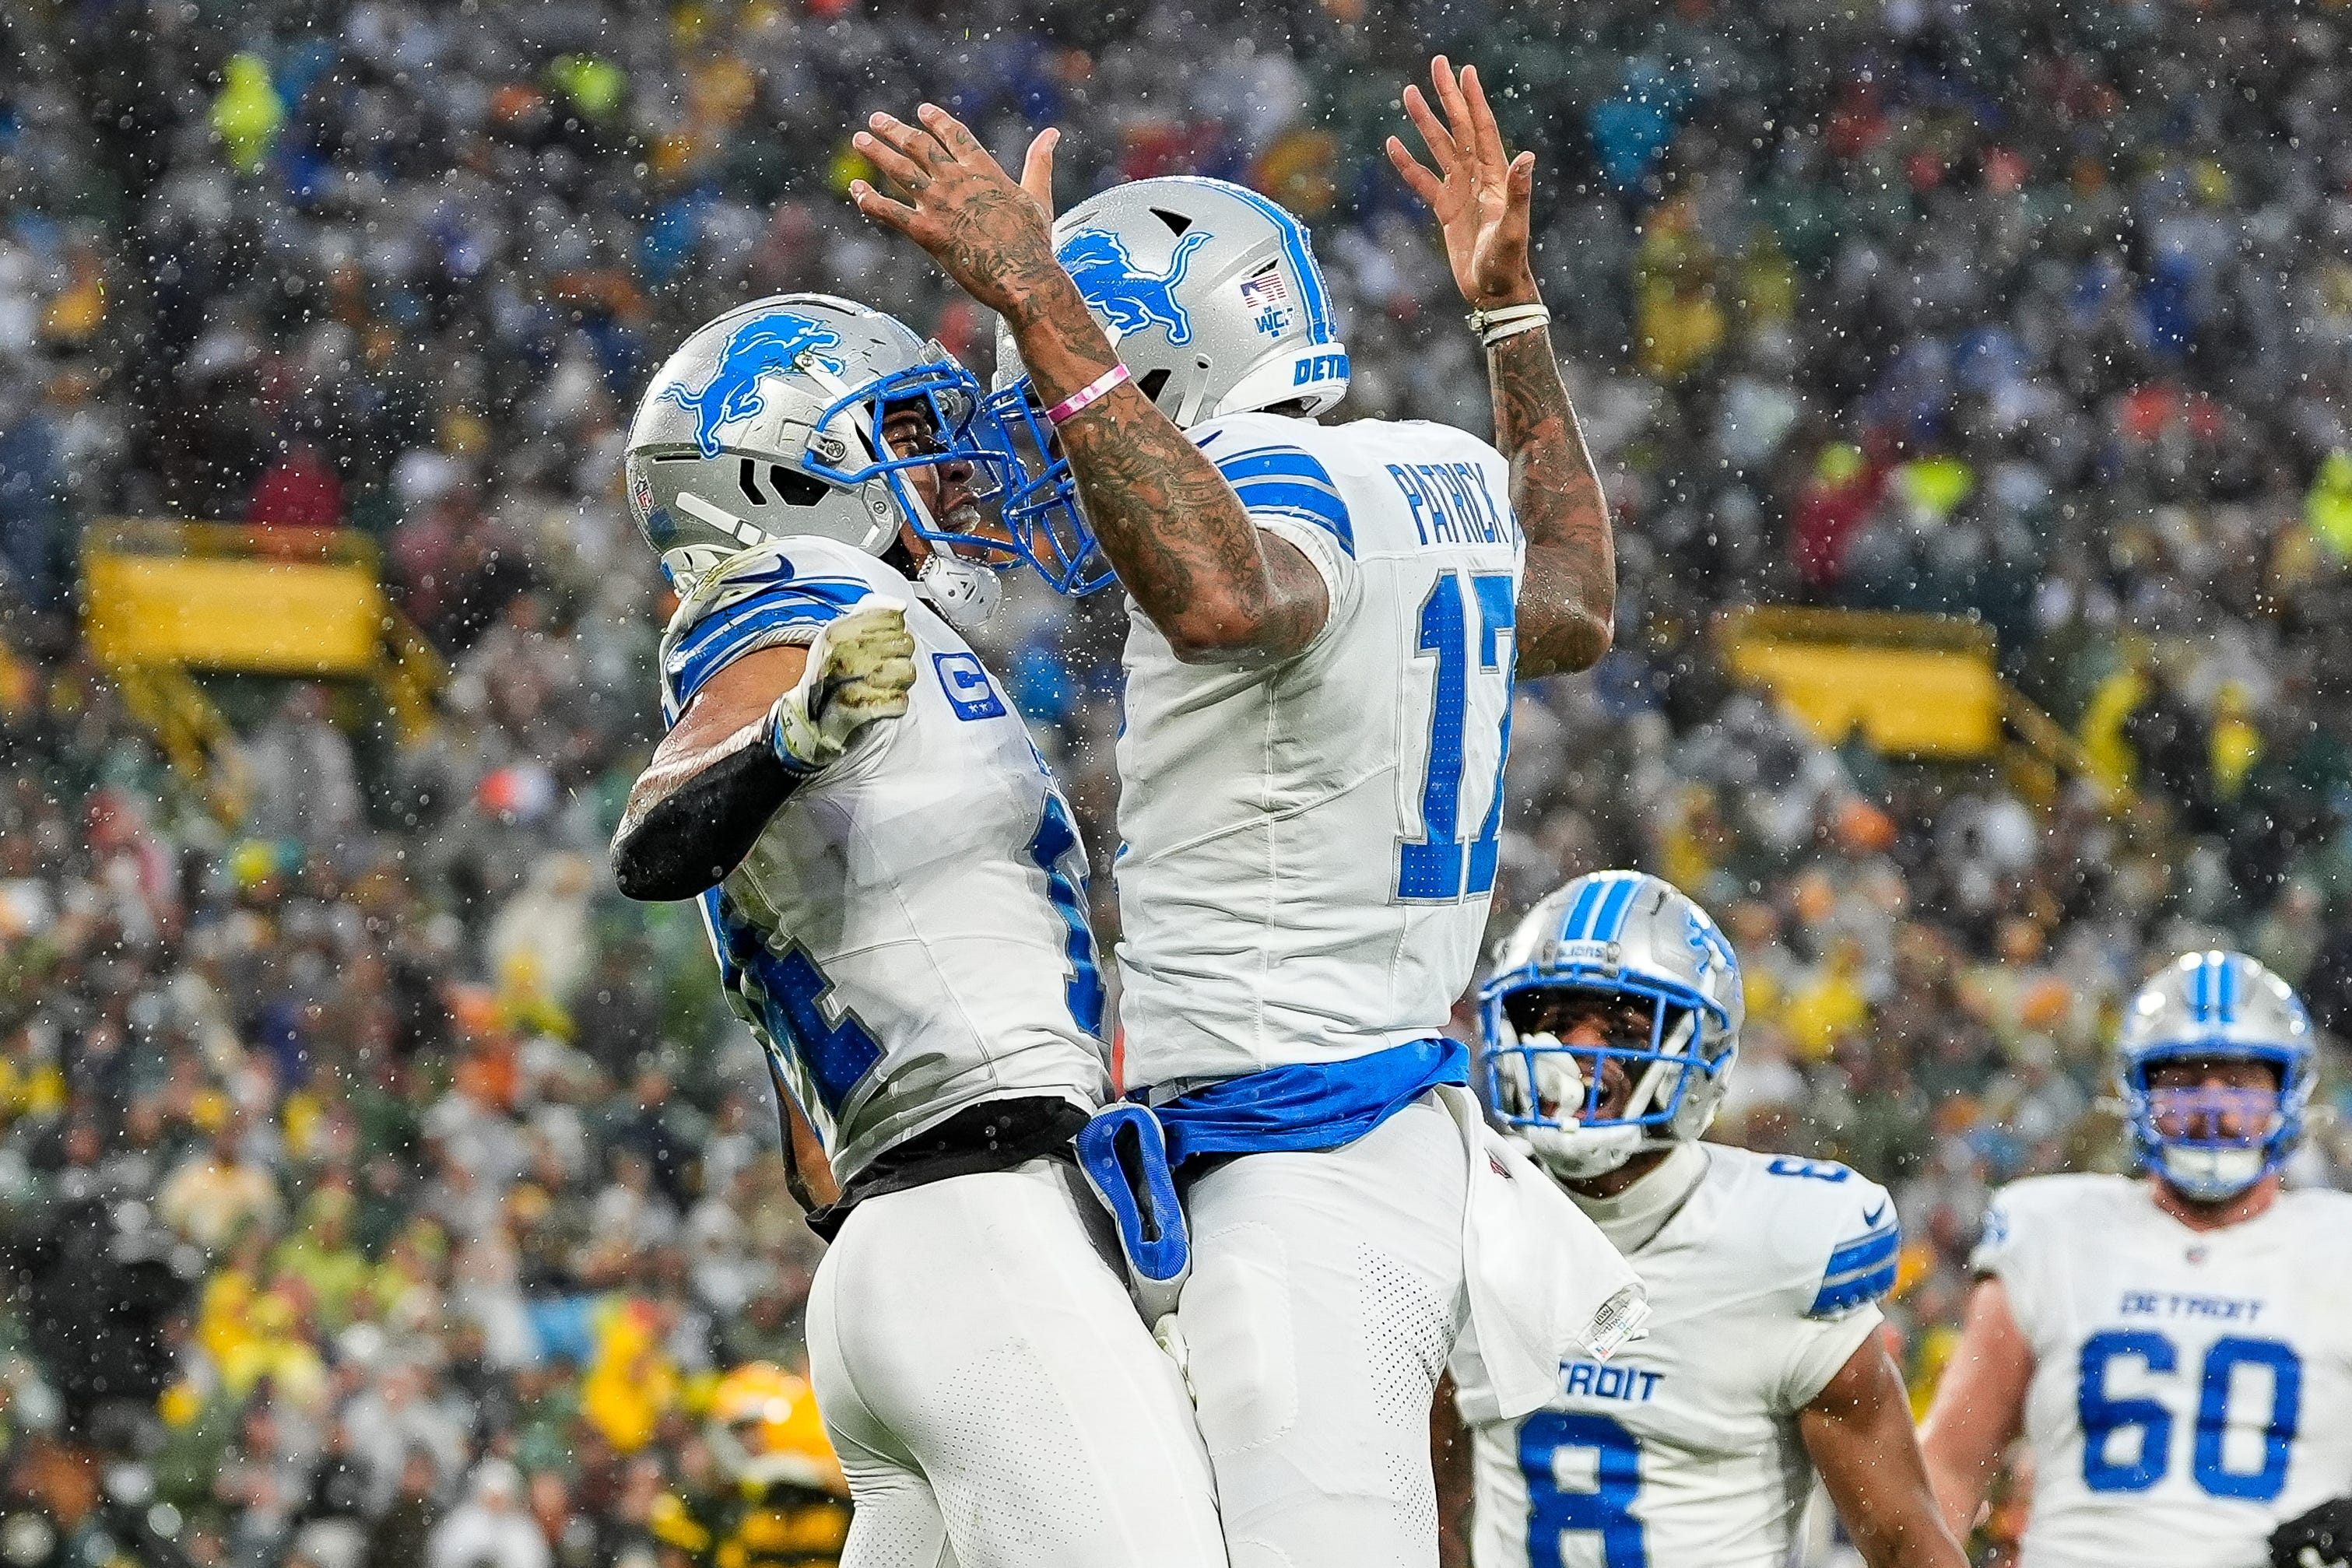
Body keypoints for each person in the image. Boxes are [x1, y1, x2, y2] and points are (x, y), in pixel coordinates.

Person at [848, 57, 1636, 1568]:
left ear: (1164, 371)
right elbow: (1575, 603)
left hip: (1293, 1173)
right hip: (1349, 1136)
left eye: (1072, 398)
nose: (1047, 450)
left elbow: (1223, 596)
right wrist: (1510, 320)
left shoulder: (1280, 482)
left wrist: (1038, 300)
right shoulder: (1429, 470)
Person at [606, 293, 1226, 1568]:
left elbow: (813, 1162)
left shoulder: (875, 646)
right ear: (780, 473)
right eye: (896, 433)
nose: (943, 472)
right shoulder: (805, 587)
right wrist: (781, 735)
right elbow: (659, 831)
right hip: (978, 1217)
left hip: (909, 1237)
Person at [1434, 869, 1968, 1568]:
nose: (1579, 1051)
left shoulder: (1780, 1248)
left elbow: (1905, 1544)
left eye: (1622, 1026)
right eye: (1554, 1019)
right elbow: (1428, 1518)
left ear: (1701, 1051)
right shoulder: (1468, 1210)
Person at [1920, 949, 2352, 1568]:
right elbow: (1948, 1467)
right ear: (2136, 1091)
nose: (2212, 1109)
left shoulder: (2340, 1243)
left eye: (2238, 1081)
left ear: (2288, 1091)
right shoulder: (2054, 1229)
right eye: (2183, 1080)